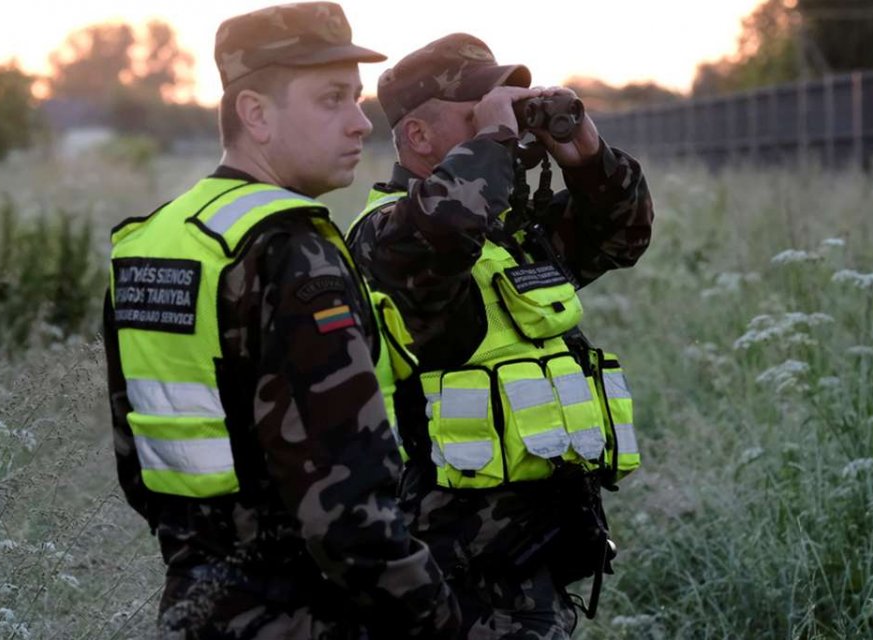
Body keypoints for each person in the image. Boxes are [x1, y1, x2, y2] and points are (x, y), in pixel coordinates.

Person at [101, 4, 459, 638]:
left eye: (356, 98)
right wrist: (437, 616)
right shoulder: (292, 249)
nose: (359, 123)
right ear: (256, 114)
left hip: (194, 606)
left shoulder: (156, 241)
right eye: (331, 99)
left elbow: (140, 468)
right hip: (305, 612)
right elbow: (349, 511)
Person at [346, 33, 654, 639]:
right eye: (478, 113)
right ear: (417, 138)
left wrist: (586, 153)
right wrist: (493, 141)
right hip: (446, 575)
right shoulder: (388, 237)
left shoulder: (509, 237)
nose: (508, 126)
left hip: (528, 564)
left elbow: (624, 233)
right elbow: (445, 228)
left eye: (509, 109)